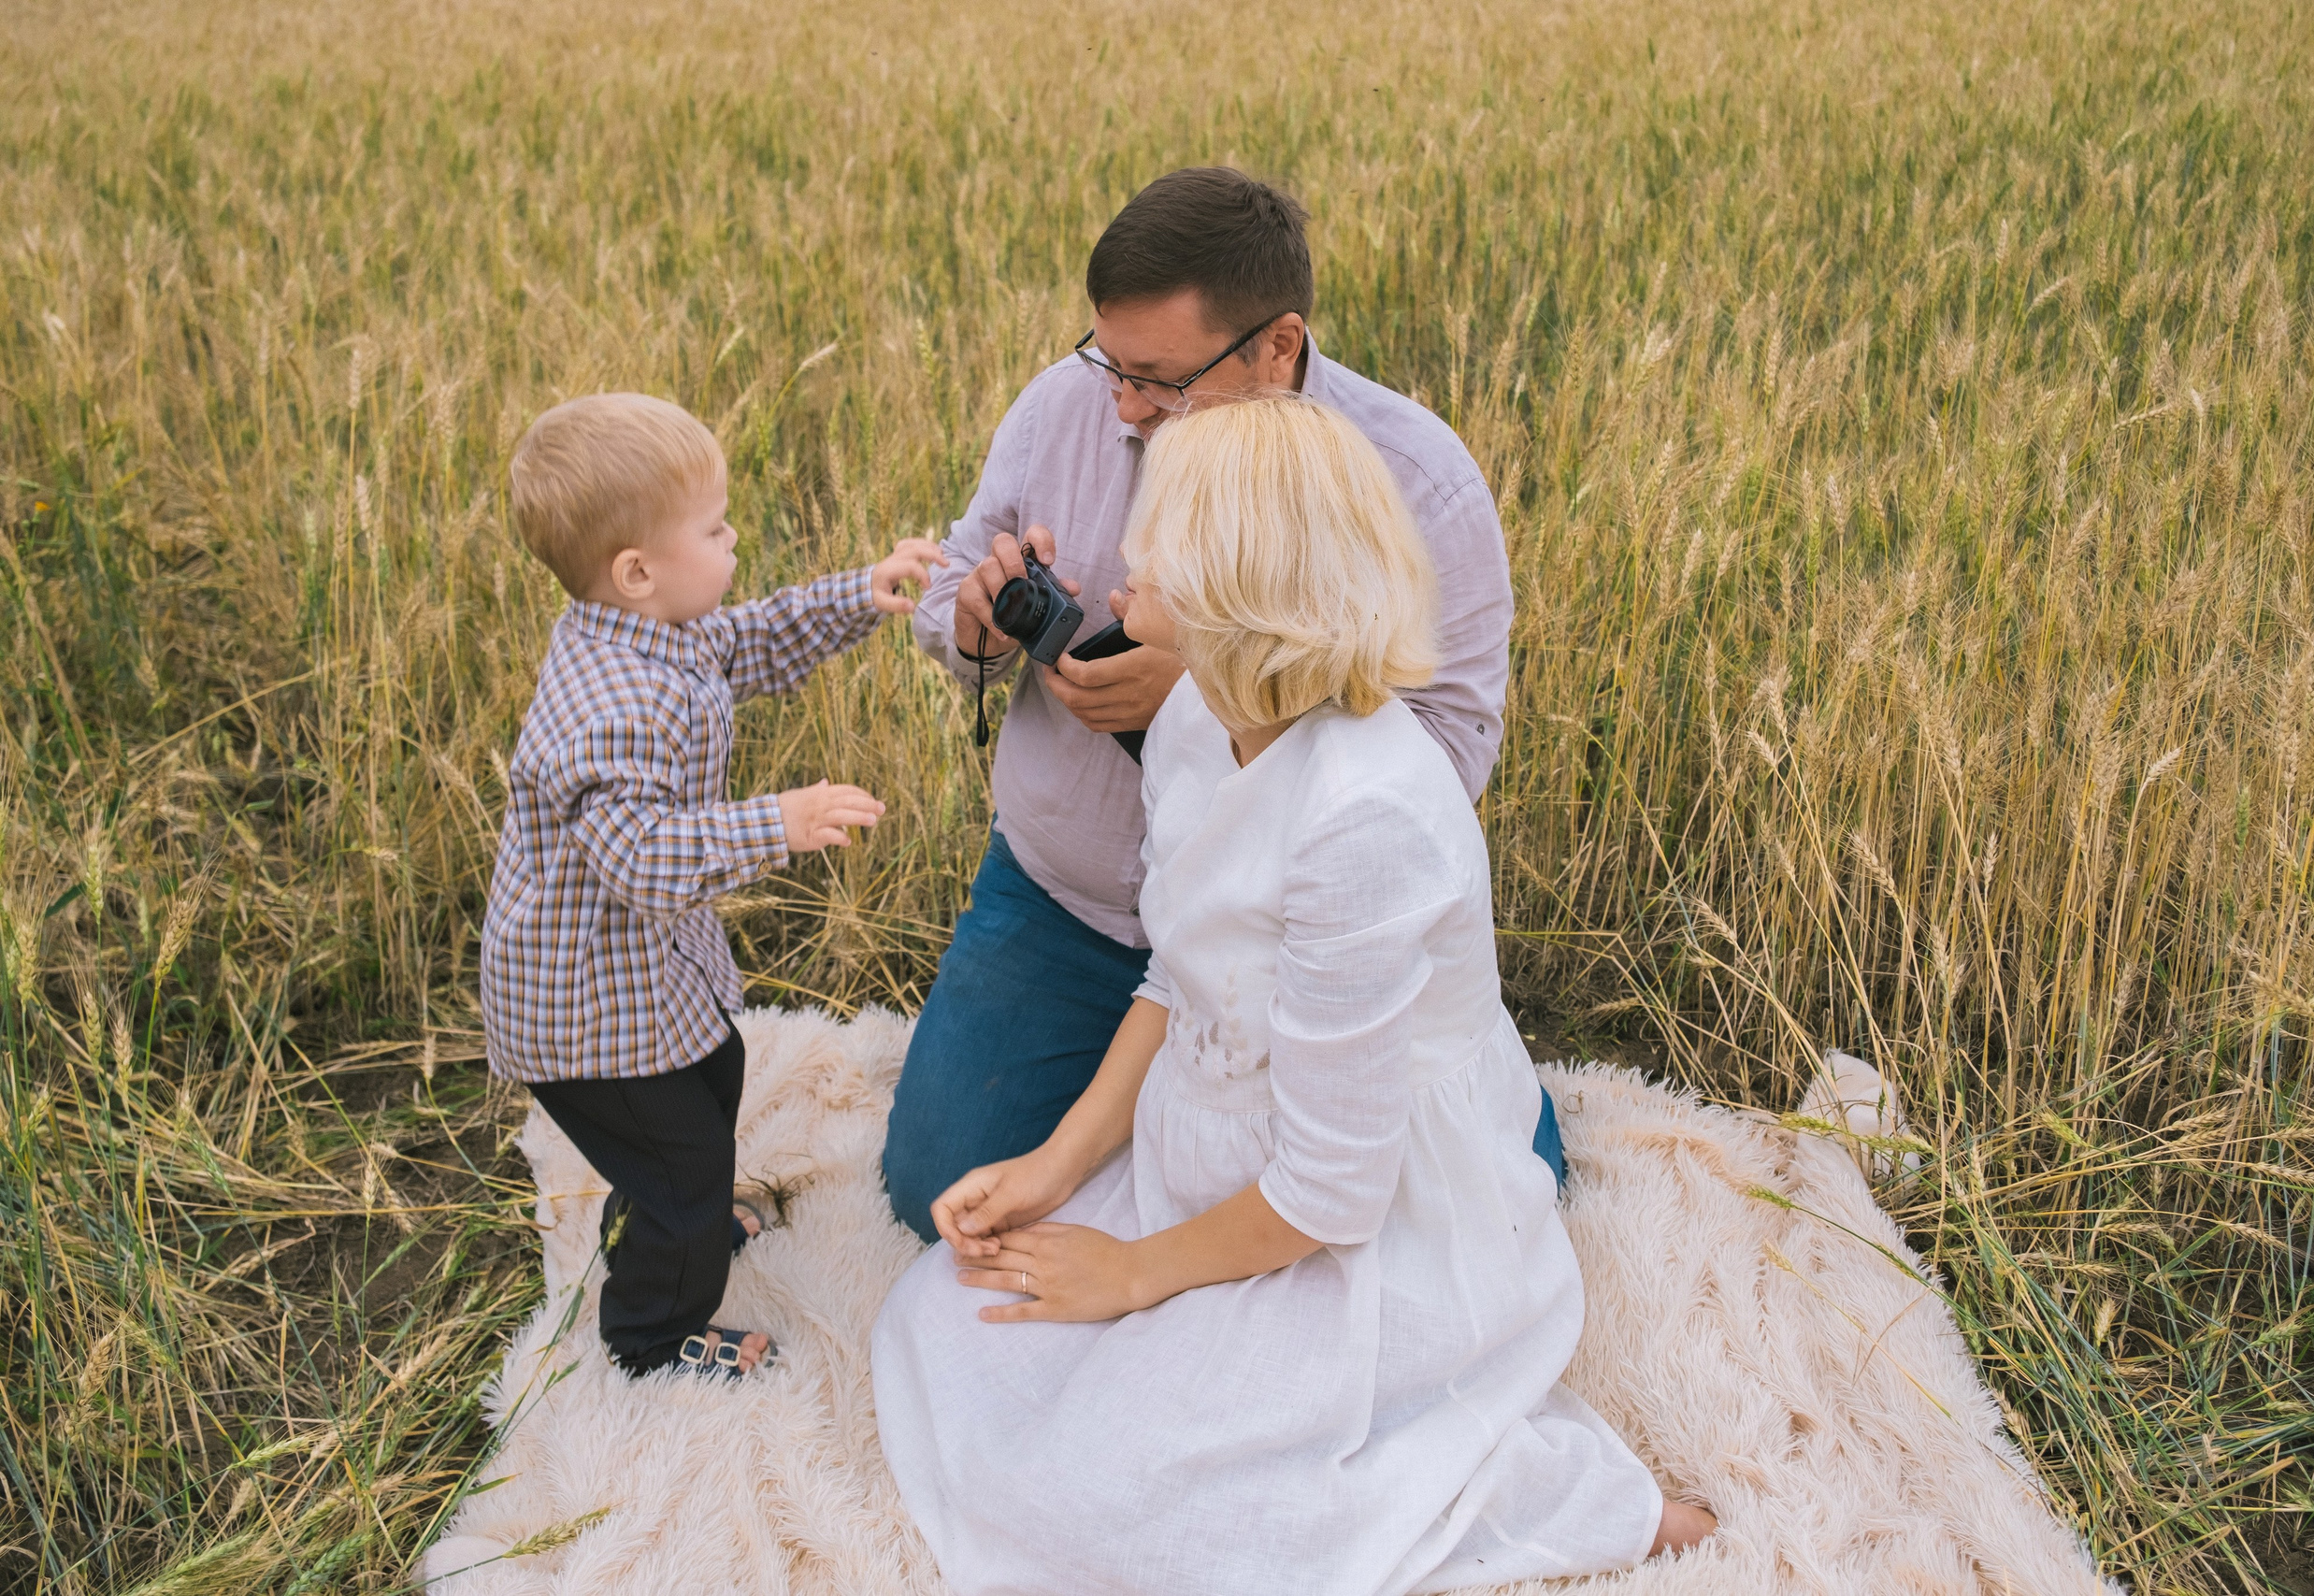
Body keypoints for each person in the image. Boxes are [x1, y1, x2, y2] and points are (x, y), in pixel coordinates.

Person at [872, 397, 1715, 1594]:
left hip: (1364, 1214)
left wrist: (1133, 1272)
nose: (1123, 581)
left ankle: (1546, 1493)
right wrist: (1059, 1165)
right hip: (1222, 1136)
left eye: (1157, 553)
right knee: (941, 1328)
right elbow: (1180, 971)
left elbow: (1332, 1191)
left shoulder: (1364, 816)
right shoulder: (1198, 722)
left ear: (1234, 596)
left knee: (1105, 1514)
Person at [885, 165, 1561, 1241]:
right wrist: (968, 622)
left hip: (1298, 932)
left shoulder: (1418, 482)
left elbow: (1449, 757)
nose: (1120, 403)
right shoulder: (1062, 405)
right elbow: (948, 582)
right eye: (1107, 363)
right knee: (936, 1191)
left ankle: (1409, 1045)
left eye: (1157, 378)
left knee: (1491, 1207)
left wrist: (1215, 701)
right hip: (1066, 905)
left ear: (1277, 347)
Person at [480, 392, 942, 1376]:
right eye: (716, 525)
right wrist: (782, 820)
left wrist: (861, 593)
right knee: (684, 1159)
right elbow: (644, 861)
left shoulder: (660, 631)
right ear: (636, 570)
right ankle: (651, 1331)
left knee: (714, 1077)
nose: (736, 538)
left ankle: (656, 1208)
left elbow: (754, 638)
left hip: (640, 977)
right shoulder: (607, 708)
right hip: (580, 1009)